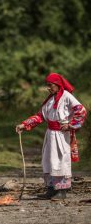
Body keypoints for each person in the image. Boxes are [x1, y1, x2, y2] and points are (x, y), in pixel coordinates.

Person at [15, 72, 87, 200]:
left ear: (58, 85)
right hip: (50, 135)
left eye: (50, 85)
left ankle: (62, 190)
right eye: (47, 85)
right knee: (48, 160)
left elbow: (81, 110)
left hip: (61, 135)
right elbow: (40, 116)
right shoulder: (49, 99)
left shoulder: (67, 97)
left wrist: (70, 125)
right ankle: (51, 189)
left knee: (60, 161)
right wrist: (24, 125)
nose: (48, 88)